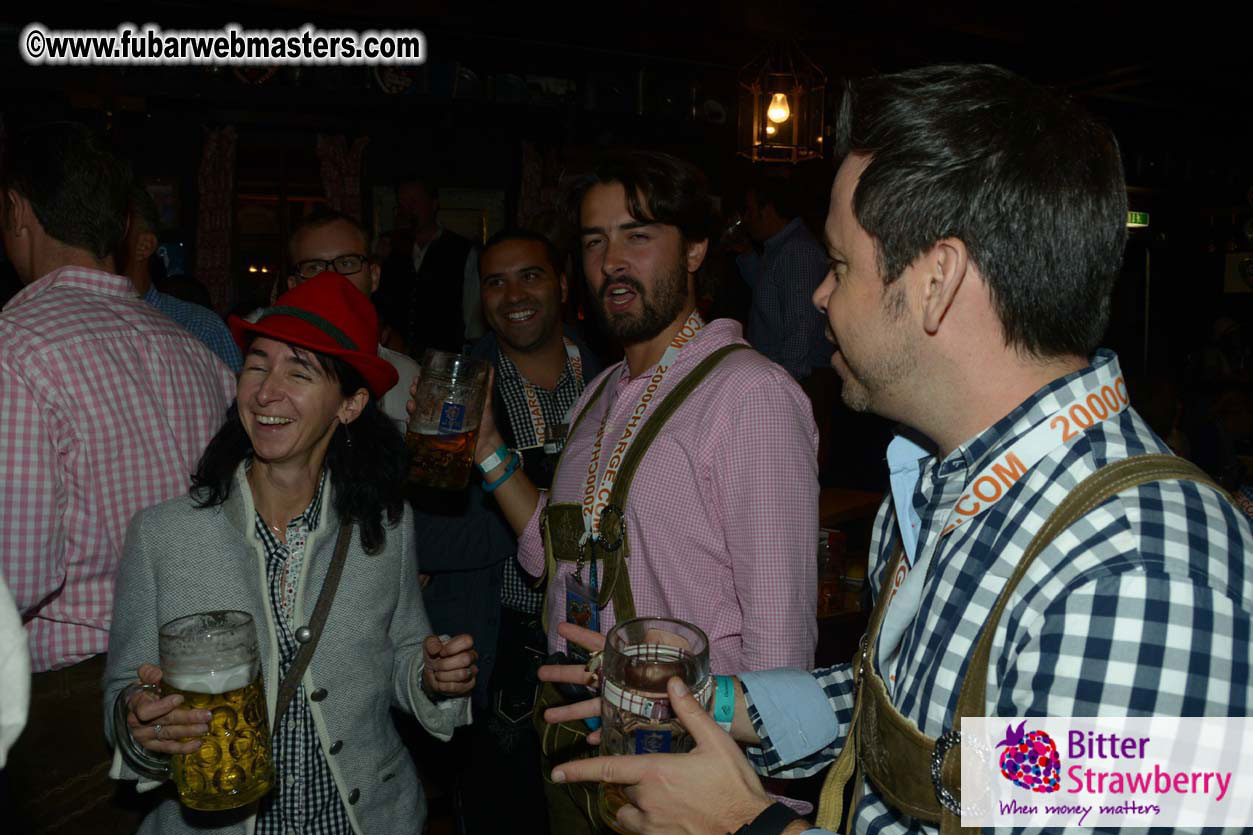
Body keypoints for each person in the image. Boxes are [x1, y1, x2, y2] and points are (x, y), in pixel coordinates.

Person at [543, 64, 1253, 835]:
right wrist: (697, 697)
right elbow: (923, 732)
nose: (819, 295)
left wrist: (744, 825)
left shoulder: (1140, 573)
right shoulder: (937, 486)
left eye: (839, 265)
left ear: (936, 280)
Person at [469, 150, 819, 832]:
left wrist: (747, 807)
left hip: (684, 775)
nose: (611, 262)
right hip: (578, 749)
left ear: (694, 249)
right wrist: (488, 451)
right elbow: (554, 556)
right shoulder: (598, 393)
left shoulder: (749, 396)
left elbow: (781, 654)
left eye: (637, 235)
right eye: (594, 241)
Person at [103, 272, 477, 835]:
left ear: (350, 404)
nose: (265, 392)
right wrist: (141, 721)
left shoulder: (384, 525)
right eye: (257, 366)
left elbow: (404, 649)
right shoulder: (162, 534)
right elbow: (124, 690)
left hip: (358, 819)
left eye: (298, 372)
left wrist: (432, 674)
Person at [0, 122, 236, 835]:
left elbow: (16, 577)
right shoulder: (197, 353)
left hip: (71, 701)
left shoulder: (16, 348)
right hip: (199, 672)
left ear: (18, 211)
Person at [414, 227, 601, 833]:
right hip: (502, 650)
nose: (513, 294)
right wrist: (540, 522)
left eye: (531, 275)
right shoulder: (456, 387)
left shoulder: (615, 378)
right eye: (495, 281)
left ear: (563, 285)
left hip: (600, 643)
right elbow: (426, 537)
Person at [286, 208, 420, 430]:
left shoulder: (408, 378)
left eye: (347, 263)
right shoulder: (272, 383)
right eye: (314, 267)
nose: (332, 279)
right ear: (293, 287)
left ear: (374, 277)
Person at [121, 183, 243, 373]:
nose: (100, 244)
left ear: (144, 245)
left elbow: (234, 391)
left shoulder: (200, 328)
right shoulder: (86, 320)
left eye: (115, 232)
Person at [734, 177, 831, 381]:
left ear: (767, 211)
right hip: (777, 372)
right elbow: (769, 294)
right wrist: (746, 253)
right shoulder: (780, 246)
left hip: (792, 377)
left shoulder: (797, 251)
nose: (746, 219)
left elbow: (802, 325)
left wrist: (783, 381)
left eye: (749, 211)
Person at [375, 175, 480, 356]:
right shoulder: (386, 246)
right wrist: (378, 260)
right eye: (402, 204)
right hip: (394, 359)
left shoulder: (462, 250)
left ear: (433, 204)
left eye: (414, 202)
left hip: (442, 358)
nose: (407, 210)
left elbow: (473, 320)